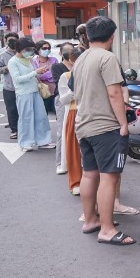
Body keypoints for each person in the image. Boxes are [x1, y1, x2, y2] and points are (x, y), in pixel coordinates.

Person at [72, 17, 134, 245]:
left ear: (88, 36)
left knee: (89, 174)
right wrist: (124, 124)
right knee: (109, 177)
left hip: (84, 125)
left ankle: (91, 220)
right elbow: (115, 93)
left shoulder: (81, 58)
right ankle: (107, 229)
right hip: (106, 126)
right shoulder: (107, 58)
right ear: (112, 36)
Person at [7, 38, 56, 152]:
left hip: (35, 91)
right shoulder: (13, 62)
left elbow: (34, 75)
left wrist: (40, 72)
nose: (30, 52)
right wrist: (35, 72)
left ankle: (44, 141)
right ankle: (25, 143)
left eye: (31, 49)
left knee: (41, 117)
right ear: (20, 49)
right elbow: (18, 79)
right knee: (26, 118)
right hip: (23, 93)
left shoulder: (29, 60)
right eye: (27, 49)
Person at [58, 47, 83, 196]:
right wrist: (74, 90)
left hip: (92, 111)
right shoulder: (66, 76)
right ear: (72, 61)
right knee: (74, 150)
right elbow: (63, 99)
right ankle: (76, 182)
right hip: (74, 112)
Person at [52, 43, 74, 175]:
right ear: (61, 53)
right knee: (62, 131)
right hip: (63, 101)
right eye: (68, 51)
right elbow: (61, 86)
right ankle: (60, 163)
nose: (70, 53)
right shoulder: (57, 67)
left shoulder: (79, 66)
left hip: (78, 101)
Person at [0, 32, 19, 139]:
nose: (12, 42)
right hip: (9, 86)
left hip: (23, 87)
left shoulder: (23, 52)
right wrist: (7, 68)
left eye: (14, 40)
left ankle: (23, 128)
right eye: (10, 41)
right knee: (11, 108)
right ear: (6, 41)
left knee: (23, 109)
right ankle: (14, 129)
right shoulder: (2, 54)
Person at [33, 40, 58, 114]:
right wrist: (49, 74)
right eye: (44, 48)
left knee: (58, 114)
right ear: (38, 49)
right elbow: (36, 76)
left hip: (54, 92)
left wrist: (43, 74)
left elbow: (56, 74)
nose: (47, 50)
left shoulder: (54, 60)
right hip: (42, 93)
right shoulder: (33, 61)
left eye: (48, 48)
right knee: (43, 115)